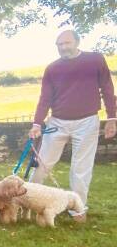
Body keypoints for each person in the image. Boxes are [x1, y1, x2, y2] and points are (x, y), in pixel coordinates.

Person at [29, 30, 116, 221]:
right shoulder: (52, 68)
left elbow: (107, 89)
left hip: (87, 121)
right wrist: (37, 123)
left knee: (81, 168)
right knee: (42, 163)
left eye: (67, 43)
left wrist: (112, 117)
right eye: (59, 44)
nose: (63, 47)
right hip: (57, 121)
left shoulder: (95, 60)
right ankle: (28, 201)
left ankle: (78, 210)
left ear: (77, 42)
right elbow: (45, 98)